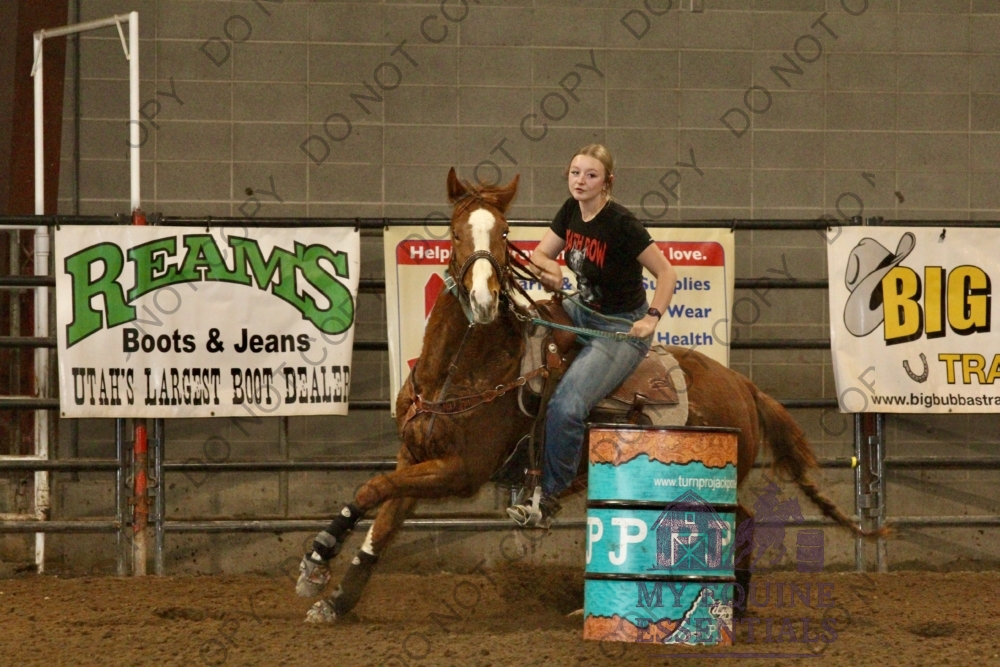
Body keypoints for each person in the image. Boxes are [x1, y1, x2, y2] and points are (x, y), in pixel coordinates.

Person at [507, 144, 677, 527]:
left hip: (619, 328)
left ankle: (549, 495)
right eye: (575, 173)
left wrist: (651, 318)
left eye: (591, 175)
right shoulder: (571, 210)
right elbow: (540, 255)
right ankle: (518, 465)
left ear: (607, 182)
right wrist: (551, 269)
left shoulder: (622, 224)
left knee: (567, 406)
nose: (580, 181)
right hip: (580, 310)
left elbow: (667, 273)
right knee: (520, 341)